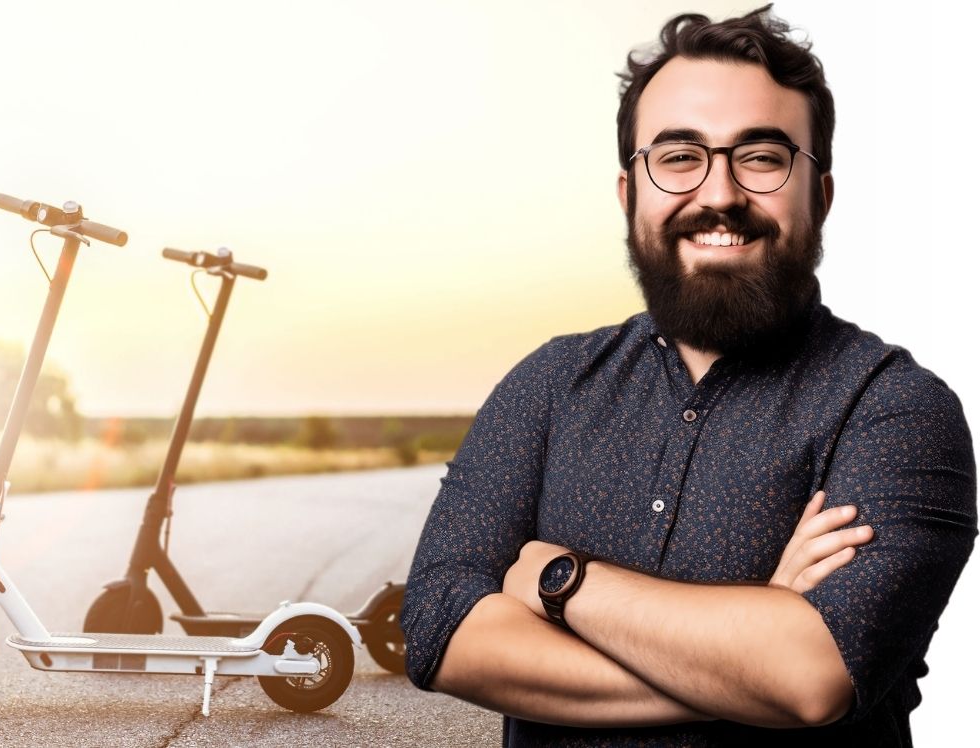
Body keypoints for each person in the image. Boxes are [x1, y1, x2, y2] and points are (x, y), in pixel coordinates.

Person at [400, 6, 977, 746]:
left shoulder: (894, 409)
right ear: (628, 194)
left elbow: (811, 675)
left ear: (821, 197)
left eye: (762, 157)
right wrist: (745, 658)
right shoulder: (547, 385)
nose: (718, 195)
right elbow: (441, 630)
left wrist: (561, 580)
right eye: (678, 157)